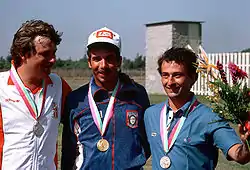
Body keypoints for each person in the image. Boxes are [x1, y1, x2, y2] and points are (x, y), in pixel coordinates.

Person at [144, 47, 250, 170]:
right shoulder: (151, 114)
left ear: (193, 77)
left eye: (177, 75)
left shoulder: (210, 118)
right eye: (165, 75)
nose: (170, 82)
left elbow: (240, 156)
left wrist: (247, 144)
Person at [61, 27, 150, 170]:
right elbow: (68, 151)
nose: (103, 65)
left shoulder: (138, 95)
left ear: (119, 61)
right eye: (97, 59)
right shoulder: (76, 99)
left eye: (109, 58)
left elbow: (146, 143)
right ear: (89, 61)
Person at [0, 20, 71, 169]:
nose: (53, 60)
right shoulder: (1, 86)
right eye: (45, 54)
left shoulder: (59, 86)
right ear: (22, 53)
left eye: (54, 53)